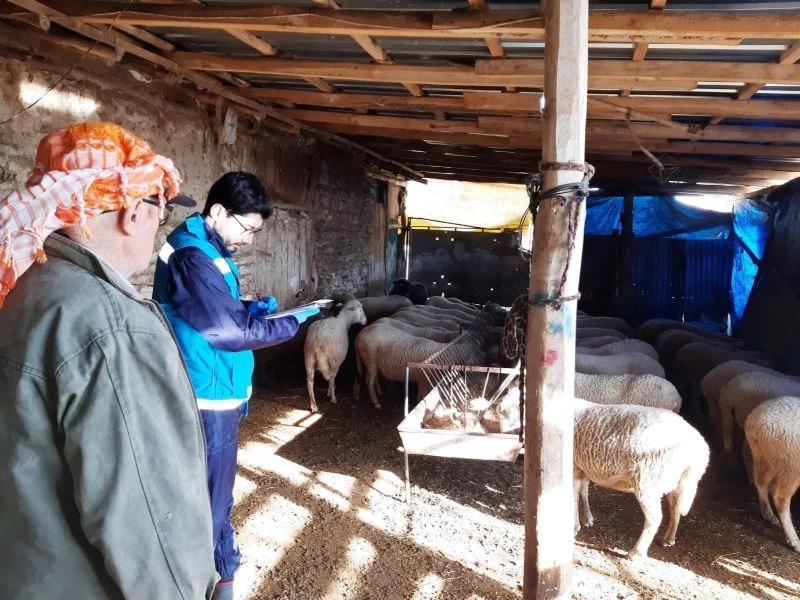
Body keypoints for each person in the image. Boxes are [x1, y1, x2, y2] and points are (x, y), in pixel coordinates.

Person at [0, 122, 217, 598]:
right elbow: (150, 522)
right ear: (133, 213)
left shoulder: (24, 289)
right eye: (161, 213)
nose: (158, 228)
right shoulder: (111, 327)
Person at [153, 171, 319, 600]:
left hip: (215, 384)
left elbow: (210, 307)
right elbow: (226, 331)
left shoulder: (207, 247)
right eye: (246, 228)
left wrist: (247, 308)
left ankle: (219, 572)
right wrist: (289, 323)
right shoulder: (192, 254)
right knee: (210, 497)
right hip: (206, 393)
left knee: (215, 491)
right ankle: (204, 582)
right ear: (218, 211)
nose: (248, 239)